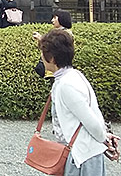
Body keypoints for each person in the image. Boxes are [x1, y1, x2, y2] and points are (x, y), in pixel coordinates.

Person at [38, 29, 116, 175]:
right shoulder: (75, 76)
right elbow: (94, 111)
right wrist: (104, 136)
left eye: (43, 54)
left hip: (82, 156)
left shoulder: (65, 85)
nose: (41, 58)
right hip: (87, 152)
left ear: (52, 58)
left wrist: (103, 137)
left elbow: (90, 120)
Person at [33, 9, 73, 78]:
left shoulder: (66, 34)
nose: (52, 20)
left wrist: (41, 39)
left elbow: (55, 46)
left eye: (55, 18)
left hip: (58, 69)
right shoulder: (59, 32)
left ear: (61, 18)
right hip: (53, 71)